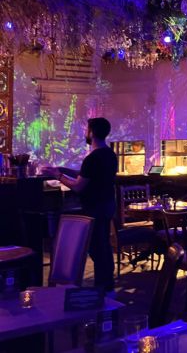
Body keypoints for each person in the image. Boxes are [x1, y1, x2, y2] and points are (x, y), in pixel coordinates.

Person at [55, 118, 118, 292]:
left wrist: (58, 176)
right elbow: (87, 174)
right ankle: (107, 286)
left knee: (97, 248)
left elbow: (78, 186)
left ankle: (103, 288)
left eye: (86, 130)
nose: (85, 133)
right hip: (107, 205)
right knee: (103, 246)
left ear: (92, 132)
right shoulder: (109, 154)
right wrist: (63, 170)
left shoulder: (93, 158)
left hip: (95, 207)